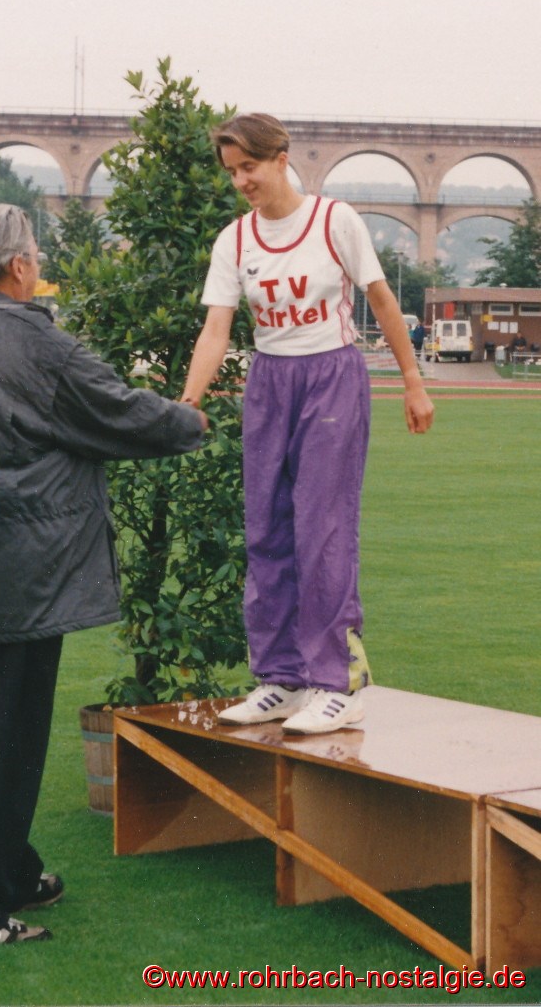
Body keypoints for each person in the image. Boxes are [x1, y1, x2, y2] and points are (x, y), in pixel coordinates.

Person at [0, 203, 206, 945]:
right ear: (20, 265)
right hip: (21, 575)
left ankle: (12, 870)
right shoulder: (40, 343)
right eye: (36, 255)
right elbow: (122, 416)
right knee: (9, 741)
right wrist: (194, 417)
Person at [181, 114, 434, 735]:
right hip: (270, 381)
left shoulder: (333, 220)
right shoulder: (235, 240)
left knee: (322, 529)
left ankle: (338, 683)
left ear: (281, 158)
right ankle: (282, 678)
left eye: (250, 166)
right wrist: (187, 401)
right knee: (266, 528)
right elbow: (216, 329)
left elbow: (380, 299)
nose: (242, 180)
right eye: (232, 171)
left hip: (331, 378)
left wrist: (412, 380)